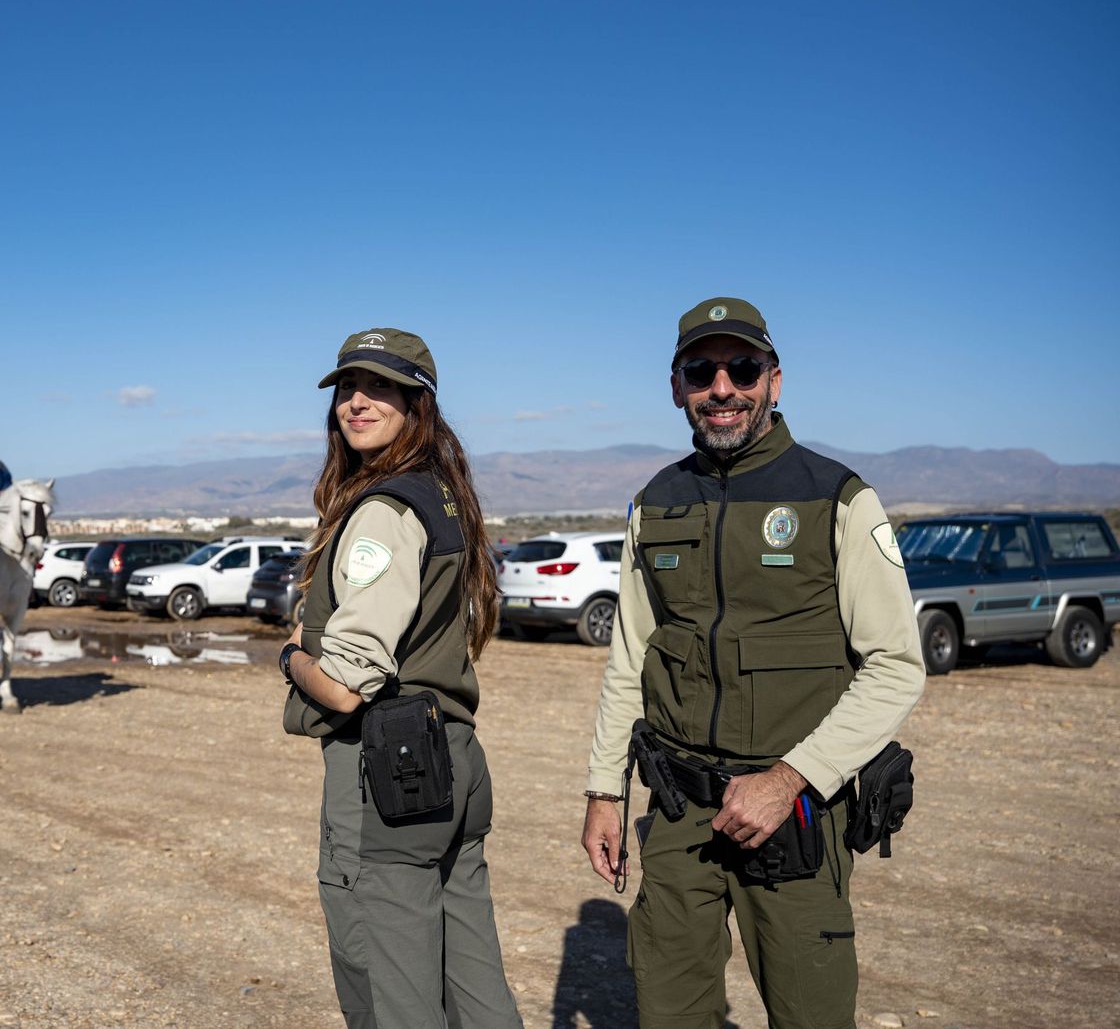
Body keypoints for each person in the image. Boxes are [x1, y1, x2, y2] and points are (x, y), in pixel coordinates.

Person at [578, 297, 926, 1029]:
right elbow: (631, 658)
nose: (722, 388)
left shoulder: (838, 497)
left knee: (810, 1015)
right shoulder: (655, 503)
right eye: (701, 371)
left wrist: (787, 779)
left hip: (793, 814)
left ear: (774, 380)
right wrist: (605, 791)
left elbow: (896, 664)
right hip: (679, 810)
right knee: (669, 1015)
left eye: (742, 368)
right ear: (677, 386)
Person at [280, 328, 523, 1029]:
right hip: (452, 754)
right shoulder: (442, 495)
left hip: (387, 772)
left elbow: (345, 685)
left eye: (380, 387)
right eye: (347, 388)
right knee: (474, 982)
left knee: (390, 994)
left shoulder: (383, 512)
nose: (357, 402)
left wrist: (291, 657)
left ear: (418, 403)